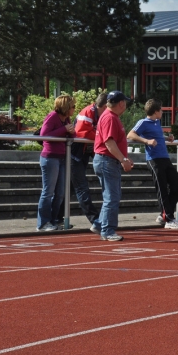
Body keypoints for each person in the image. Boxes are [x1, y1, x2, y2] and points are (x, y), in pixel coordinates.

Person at [127, 99, 178, 229]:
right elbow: (130, 134)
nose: (163, 112)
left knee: (177, 186)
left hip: (165, 158)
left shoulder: (157, 122)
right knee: (162, 189)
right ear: (156, 111)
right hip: (154, 159)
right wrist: (146, 141)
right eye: (161, 110)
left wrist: (166, 138)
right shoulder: (143, 122)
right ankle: (169, 219)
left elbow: (156, 137)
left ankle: (163, 214)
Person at [93, 90, 134, 242]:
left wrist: (124, 159)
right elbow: (109, 143)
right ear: (121, 103)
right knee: (112, 197)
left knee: (110, 196)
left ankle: (99, 224)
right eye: (125, 103)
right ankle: (107, 230)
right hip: (107, 160)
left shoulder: (108, 116)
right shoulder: (110, 118)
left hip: (106, 160)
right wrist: (123, 159)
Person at [36, 95, 76, 231]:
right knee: (48, 192)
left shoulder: (67, 119)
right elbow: (44, 135)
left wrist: (71, 132)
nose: (74, 109)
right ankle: (42, 223)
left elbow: (72, 136)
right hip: (50, 157)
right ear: (65, 107)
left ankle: (53, 221)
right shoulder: (52, 116)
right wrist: (65, 130)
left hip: (62, 157)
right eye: (72, 107)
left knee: (60, 193)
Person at [70, 93, 107, 234]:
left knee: (71, 188)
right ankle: (95, 220)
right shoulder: (88, 112)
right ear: (104, 106)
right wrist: (101, 136)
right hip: (75, 154)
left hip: (83, 154)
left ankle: (55, 217)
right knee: (81, 188)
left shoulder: (98, 114)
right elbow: (81, 132)